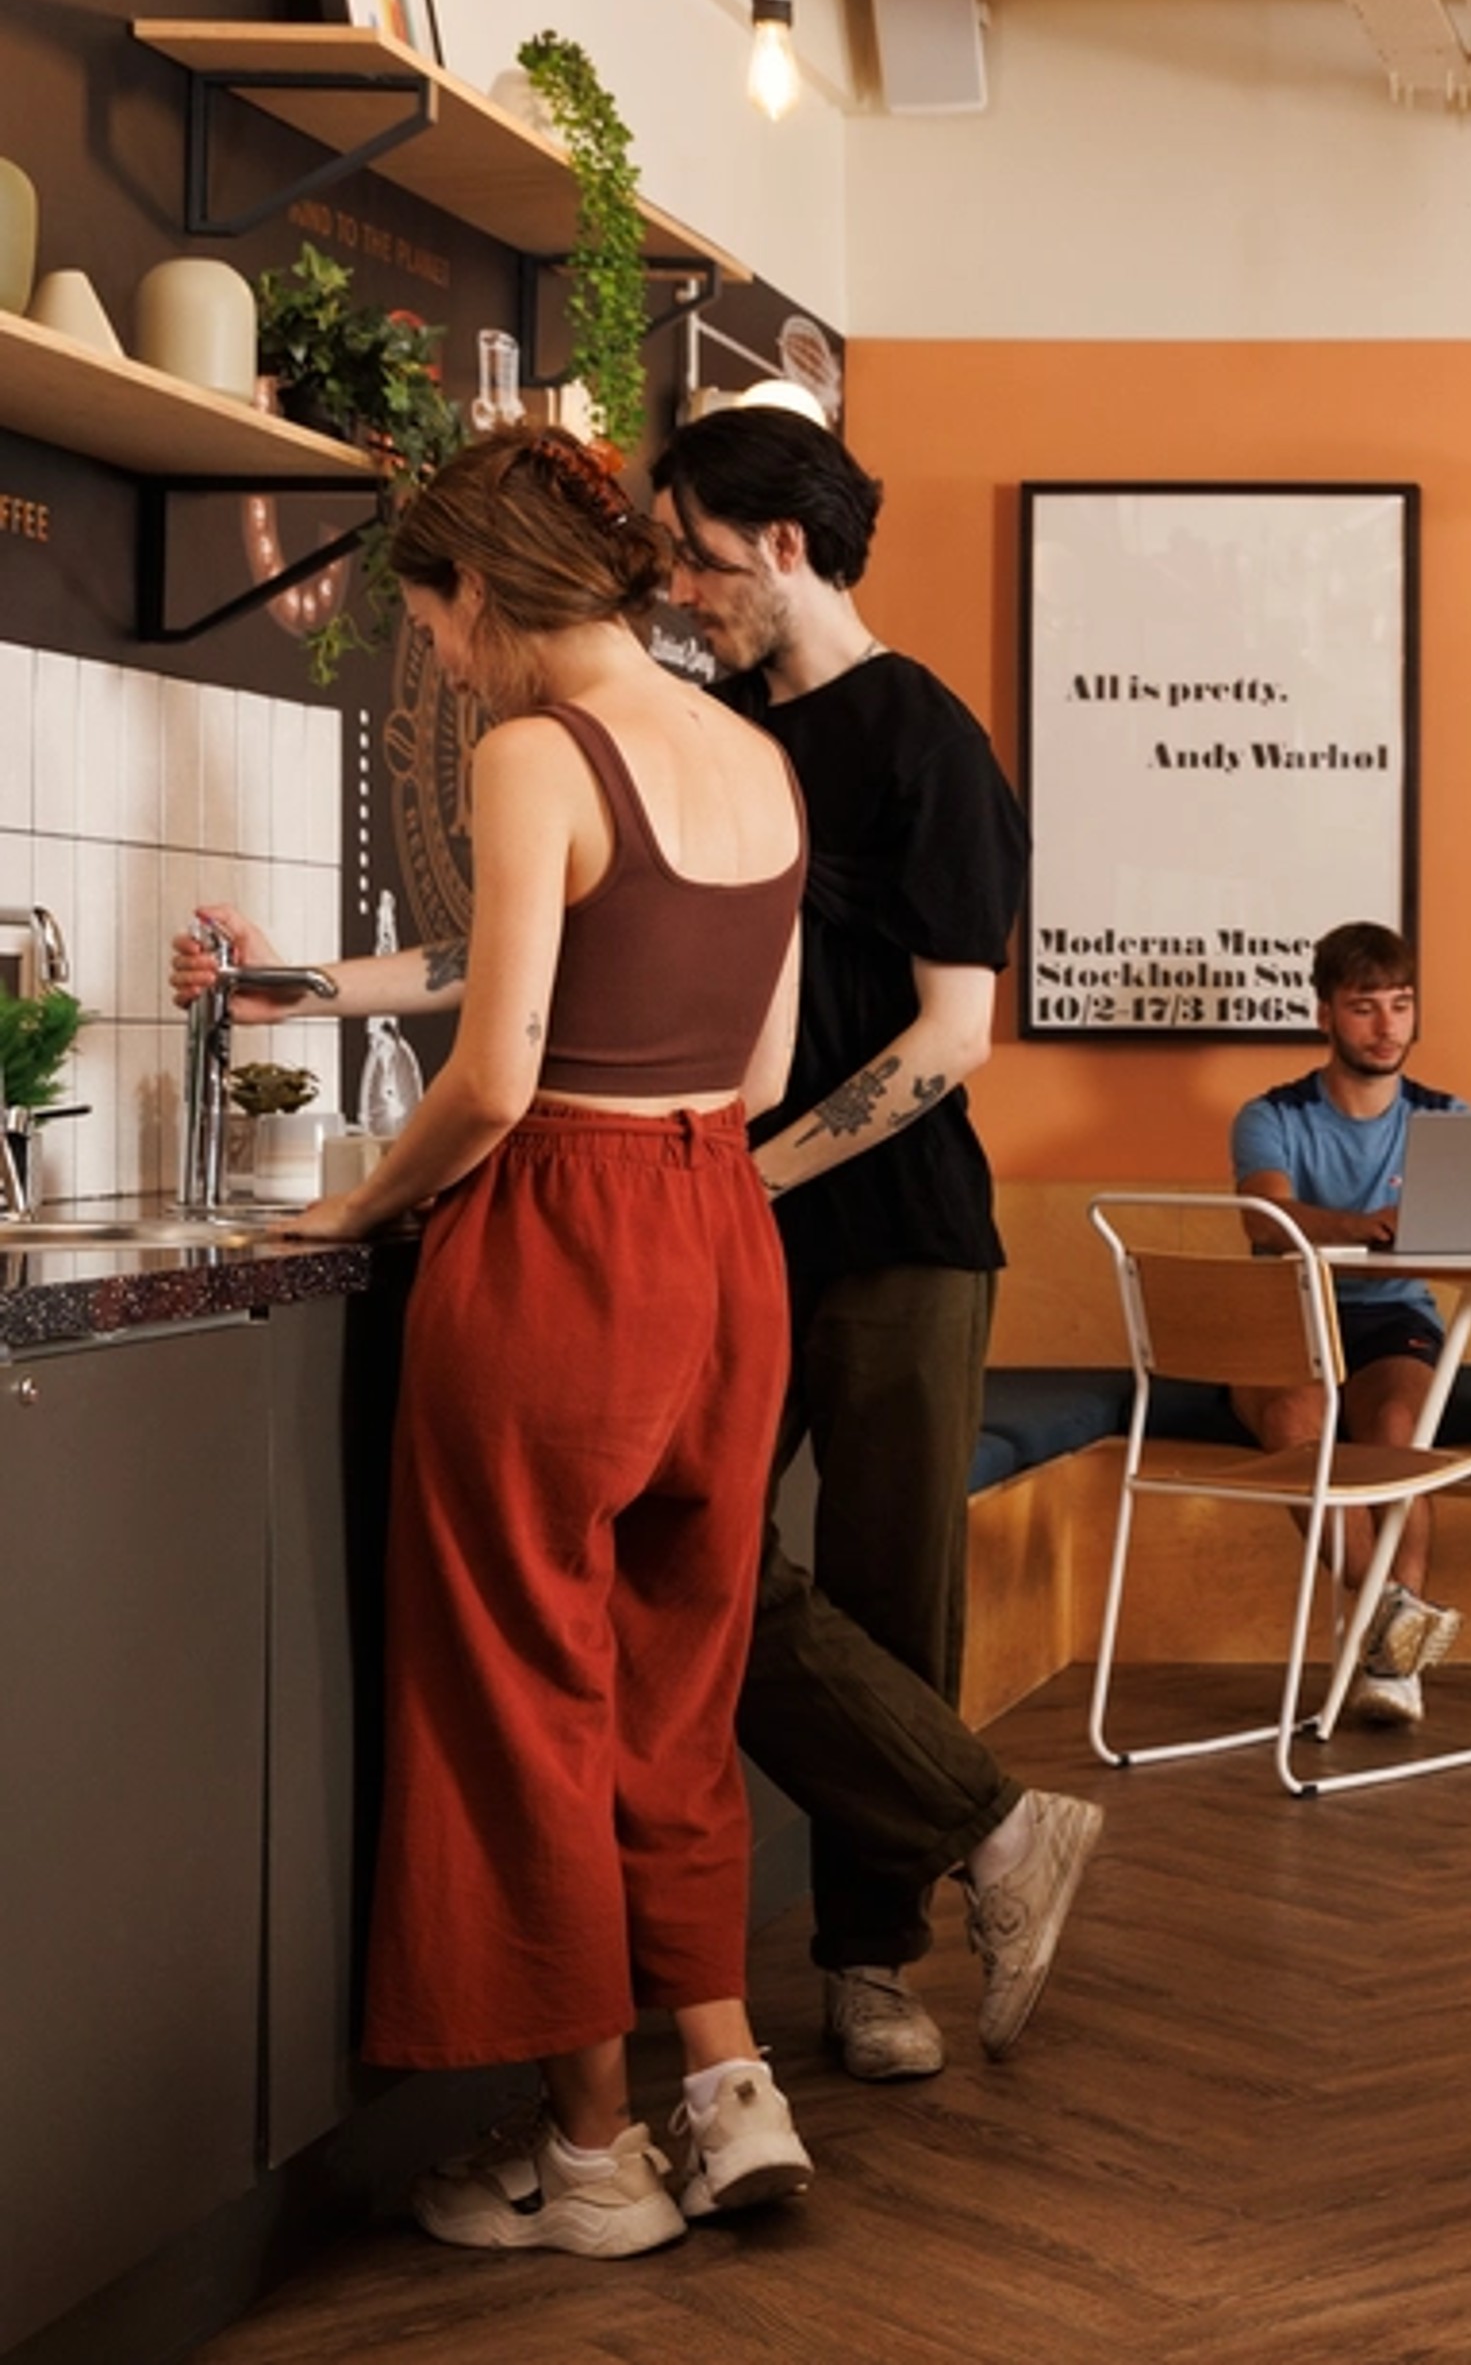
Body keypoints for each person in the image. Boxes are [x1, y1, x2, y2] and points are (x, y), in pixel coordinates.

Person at [258, 424, 815, 2255]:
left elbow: (495, 1078)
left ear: (481, 591)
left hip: (564, 1240)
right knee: (674, 1689)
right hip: (726, 1240)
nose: (436, 657)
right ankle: (730, 2089)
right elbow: (762, 1076)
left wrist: (356, 1206)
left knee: (521, 1695)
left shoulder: (535, 755)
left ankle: (594, 2156)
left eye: (429, 620)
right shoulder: (756, 754)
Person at [654, 405, 1102, 2079]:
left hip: (901, 1236)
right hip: (740, 1224)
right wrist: (310, 983)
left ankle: (867, 1965)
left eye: (696, 555)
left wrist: (756, 1174)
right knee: (682, 1557)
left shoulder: (928, 740)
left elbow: (951, 1041)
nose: (679, 590)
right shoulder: (707, 735)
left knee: (890, 1591)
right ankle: (996, 1824)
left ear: (784, 546)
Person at [1228, 920, 1467, 1726]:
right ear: (1325, 1013)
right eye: (1366, 1006)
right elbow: (1266, 1219)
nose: (1388, 1024)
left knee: (1400, 1427)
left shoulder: (1446, 1116)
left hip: (1393, 1314)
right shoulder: (1272, 1113)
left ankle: (1382, 1647)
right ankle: (1391, 1635)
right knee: (1301, 1421)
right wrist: (1362, 1226)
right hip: (1287, 1317)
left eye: (1401, 1005)